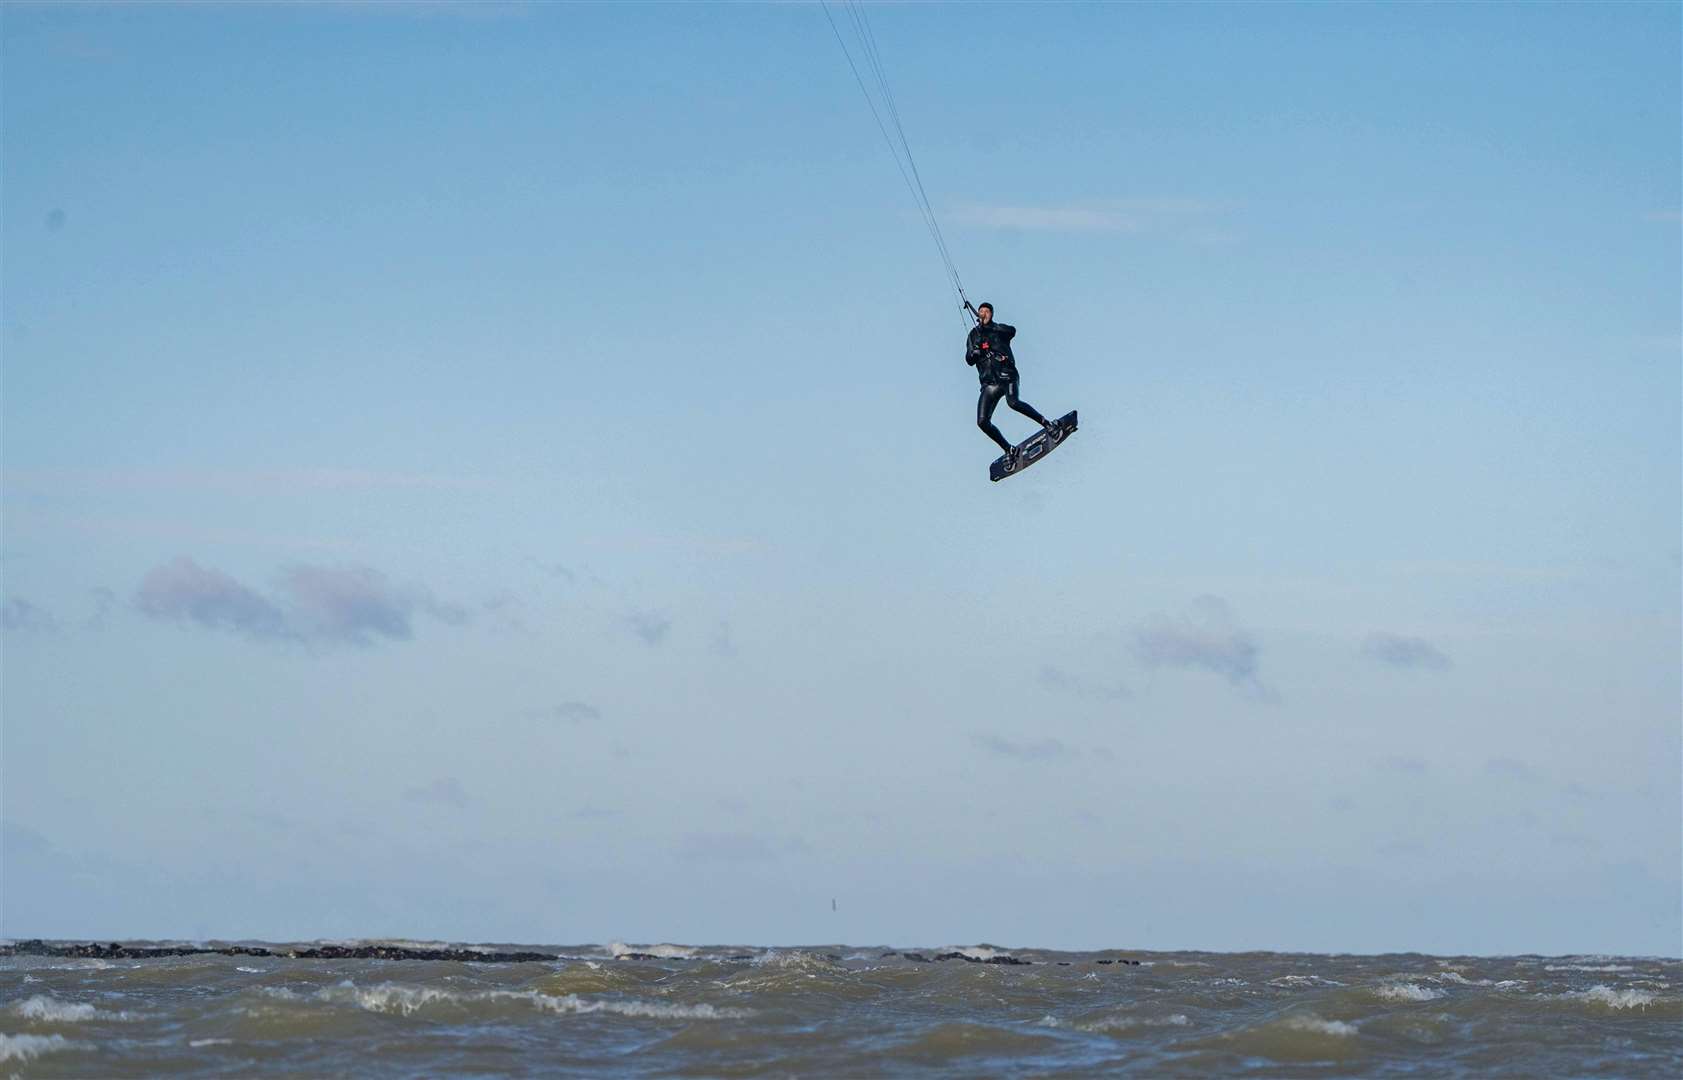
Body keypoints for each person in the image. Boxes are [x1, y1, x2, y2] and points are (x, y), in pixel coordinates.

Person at [965, 302, 1053, 460]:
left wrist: (991, 327)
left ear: (991, 314)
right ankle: (1009, 449)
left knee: (1013, 403)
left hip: (1007, 375)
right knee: (982, 422)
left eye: (986, 311)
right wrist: (975, 352)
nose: (983, 313)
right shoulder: (973, 335)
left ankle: (1047, 424)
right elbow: (969, 360)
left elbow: (1012, 331)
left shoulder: (999, 330)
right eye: (981, 311)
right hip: (989, 384)